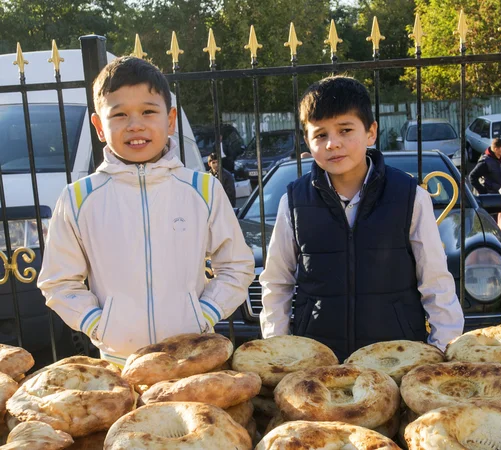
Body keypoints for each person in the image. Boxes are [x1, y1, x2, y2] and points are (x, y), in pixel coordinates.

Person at [37, 57, 254, 367]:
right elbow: (58, 282)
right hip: (118, 364)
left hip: (189, 360)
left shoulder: (203, 190)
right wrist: (99, 325)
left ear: (170, 120)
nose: (135, 124)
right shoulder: (78, 198)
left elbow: (236, 266)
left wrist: (203, 315)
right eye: (120, 114)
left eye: (149, 111)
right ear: (99, 126)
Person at [259, 75, 464, 361]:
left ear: (371, 132)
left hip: (397, 358)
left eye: (345, 130)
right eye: (320, 134)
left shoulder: (409, 196)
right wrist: (279, 350)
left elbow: (436, 281)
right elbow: (276, 283)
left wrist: (443, 350)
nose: (332, 143)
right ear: (307, 140)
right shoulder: (293, 202)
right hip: (320, 363)